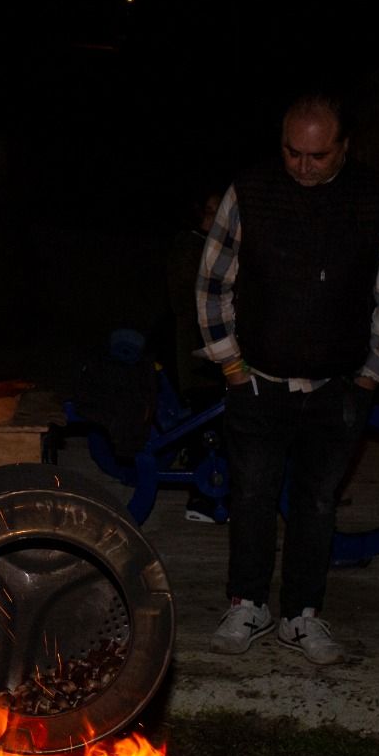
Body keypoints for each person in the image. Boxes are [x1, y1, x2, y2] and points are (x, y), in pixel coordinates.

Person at [198, 94, 379, 664]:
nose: (303, 166)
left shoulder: (375, 197)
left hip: (339, 387)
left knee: (317, 503)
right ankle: (248, 604)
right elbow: (213, 283)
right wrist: (232, 366)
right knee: (250, 497)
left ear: (343, 146)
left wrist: (369, 379)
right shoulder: (250, 190)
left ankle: (302, 615)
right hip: (258, 382)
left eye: (318, 155)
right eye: (293, 152)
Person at [164, 188, 226, 522]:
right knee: (207, 426)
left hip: (214, 356)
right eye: (211, 208)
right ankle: (201, 502)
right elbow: (190, 300)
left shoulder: (213, 248)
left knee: (215, 423)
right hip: (197, 356)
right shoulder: (190, 246)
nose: (215, 215)